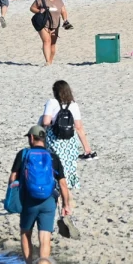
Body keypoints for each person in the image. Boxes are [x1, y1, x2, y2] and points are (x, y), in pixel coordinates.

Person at [9, 125, 71, 264]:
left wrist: (13, 196)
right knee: (45, 238)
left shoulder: (23, 154)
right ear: (44, 139)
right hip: (49, 201)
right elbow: (62, 183)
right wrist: (66, 204)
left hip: (29, 201)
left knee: (25, 233)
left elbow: (13, 178)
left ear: (31, 138)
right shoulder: (52, 157)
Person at [40, 80, 95, 209]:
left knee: (55, 167)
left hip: (55, 140)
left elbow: (46, 121)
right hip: (70, 141)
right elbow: (79, 127)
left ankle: (63, 197)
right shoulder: (74, 105)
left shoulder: (52, 102)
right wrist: (87, 148)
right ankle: (67, 195)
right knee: (68, 168)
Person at [29, 0, 73, 66]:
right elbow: (32, 8)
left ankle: (50, 61)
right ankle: (47, 61)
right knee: (46, 41)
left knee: (53, 43)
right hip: (43, 24)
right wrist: (39, 11)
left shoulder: (59, 1)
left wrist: (65, 20)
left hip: (55, 24)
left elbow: (63, 11)